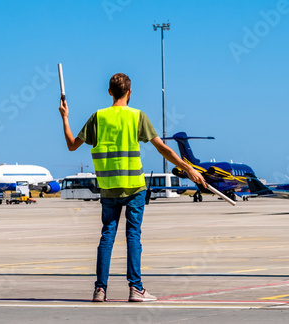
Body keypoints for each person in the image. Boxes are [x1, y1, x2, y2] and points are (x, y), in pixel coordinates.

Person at [59, 72, 205, 302]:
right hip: (135, 188)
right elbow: (163, 149)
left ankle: (100, 289)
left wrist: (65, 117)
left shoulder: (98, 117)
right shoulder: (137, 116)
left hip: (108, 188)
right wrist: (188, 169)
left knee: (107, 236)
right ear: (129, 92)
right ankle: (135, 288)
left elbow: (71, 145)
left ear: (109, 92)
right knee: (133, 237)